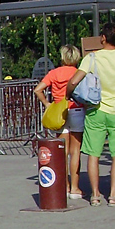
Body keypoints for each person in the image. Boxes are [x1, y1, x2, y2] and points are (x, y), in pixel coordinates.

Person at [66, 22, 115, 206]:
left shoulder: (92, 58)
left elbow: (75, 80)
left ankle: (94, 195)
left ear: (103, 38)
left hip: (96, 110)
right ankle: (114, 195)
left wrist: (68, 93)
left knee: (93, 154)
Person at [34, 44, 85, 199]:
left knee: (63, 151)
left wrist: (48, 104)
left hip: (59, 113)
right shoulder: (79, 73)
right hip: (76, 109)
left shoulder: (54, 73)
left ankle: (65, 186)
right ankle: (75, 188)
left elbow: (38, 89)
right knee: (75, 151)